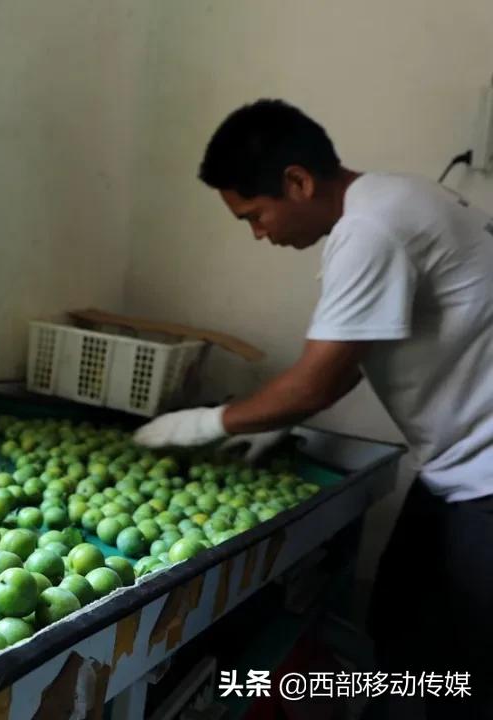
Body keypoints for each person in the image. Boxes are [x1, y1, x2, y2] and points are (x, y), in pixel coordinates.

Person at [133, 99, 493, 718]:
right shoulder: (393, 200)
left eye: (255, 214)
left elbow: (314, 382)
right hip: (457, 469)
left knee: (471, 662)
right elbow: (356, 355)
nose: (259, 233)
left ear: (298, 181)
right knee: (405, 626)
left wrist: (199, 424)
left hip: (485, 476)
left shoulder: (370, 229)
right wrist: (274, 420)